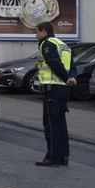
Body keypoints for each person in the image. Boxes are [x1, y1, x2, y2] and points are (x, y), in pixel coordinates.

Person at [34, 20, 77, 167]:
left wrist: (66, 78)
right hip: (64, 89)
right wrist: (71, 78)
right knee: (60, 123)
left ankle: (52, 157)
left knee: (50, 123)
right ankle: (63, 157)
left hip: (52, 88)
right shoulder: (63, 45)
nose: (35, 35)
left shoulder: (47, 44)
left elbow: (54, 63)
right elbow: (72, 66)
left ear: (44, 32)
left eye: (37, 32)